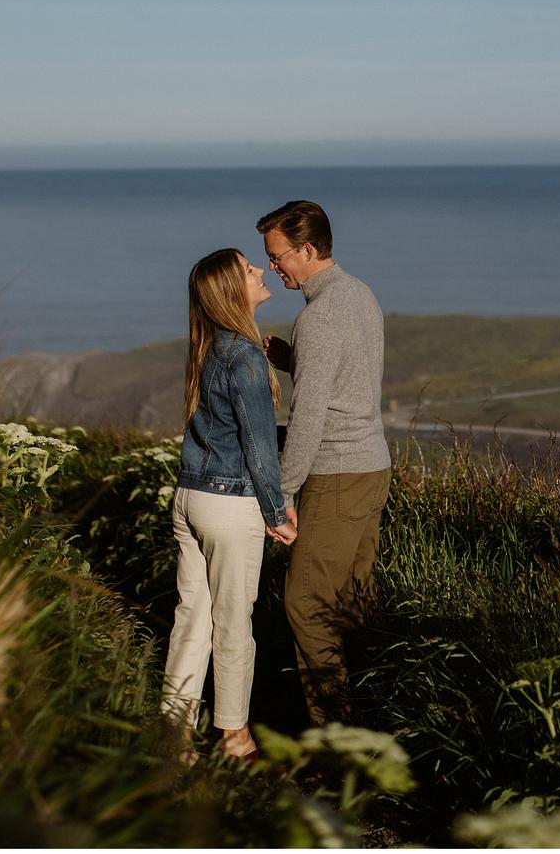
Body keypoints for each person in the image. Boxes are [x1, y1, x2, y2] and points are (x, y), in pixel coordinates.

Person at [258, 200, 391, 726]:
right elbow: (350, 376)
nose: (273, 267)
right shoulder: (360, 294)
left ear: (307, 249)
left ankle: (334, 733)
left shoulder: (317, 317)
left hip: (335, 476)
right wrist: (296, 360)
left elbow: (309, 416)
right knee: (355, 604)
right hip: (372, 468)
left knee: (307, 605)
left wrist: (282, 495)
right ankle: (381, 711)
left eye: (278, 256)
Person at [163, 247, 298, 761]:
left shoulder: (209, 346)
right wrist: (276, 512)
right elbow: (257, 444)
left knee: (191, 620)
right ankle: (235, 737)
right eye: (248, 269)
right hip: (228, 504)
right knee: (233, 623)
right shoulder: (243, 354)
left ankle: (173, 738)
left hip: (190, 498)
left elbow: (223, 431)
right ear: (230, 290)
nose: (260, 271)